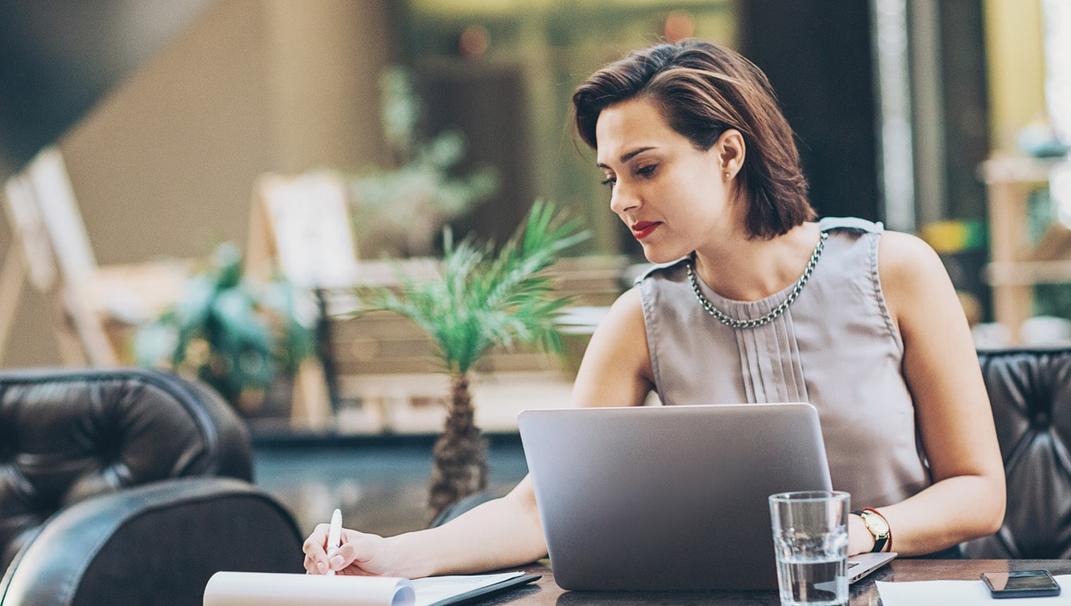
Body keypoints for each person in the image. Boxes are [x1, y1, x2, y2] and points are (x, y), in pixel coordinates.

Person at [302, 40, 1005, 577]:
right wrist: (392, 556)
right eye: (611, 177)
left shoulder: (896, 270)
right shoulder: (640, 319)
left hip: (911, 587)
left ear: (728, 152)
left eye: (646, 168)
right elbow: (545, 507)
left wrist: (860, 534)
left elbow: (978, 490)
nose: (620, 200)